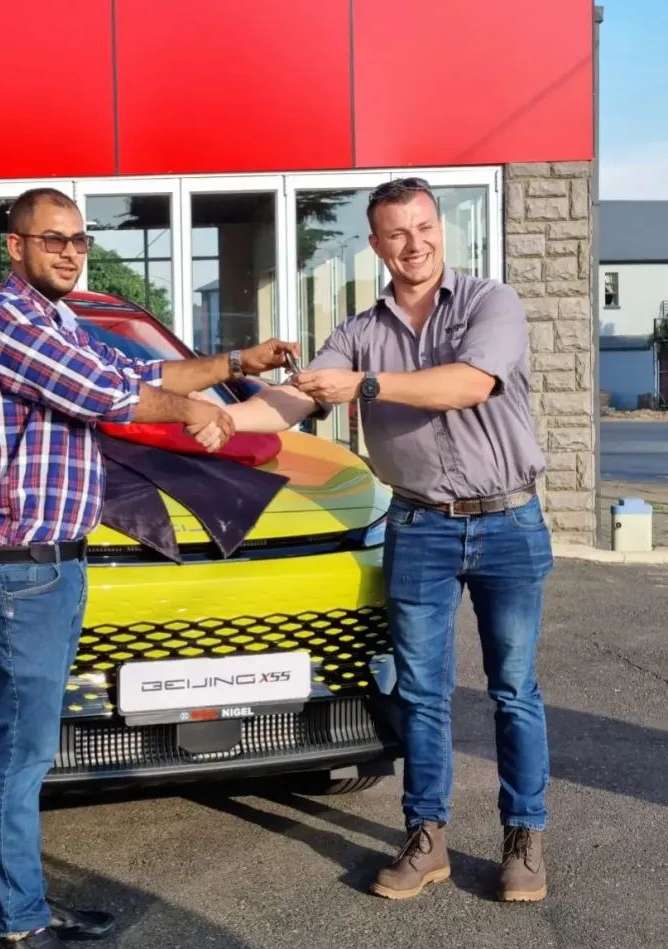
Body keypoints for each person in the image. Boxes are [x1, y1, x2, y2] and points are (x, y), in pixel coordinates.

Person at [0, 187, 298, 949]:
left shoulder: (60, 321)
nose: (71, 252)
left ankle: (29, 900)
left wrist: (236, 365)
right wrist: (196, 414)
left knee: (33, 747)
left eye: (79, 239)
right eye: (53, 239)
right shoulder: (7, 321)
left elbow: (142, 368)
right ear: (15, 246)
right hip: (20, 567)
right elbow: (111, 395)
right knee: (22, 751)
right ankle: (17, 925)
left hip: (55, 564)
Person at [209, 177, 552, 904]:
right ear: (376, 244)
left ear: (441, 229)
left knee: (514, 689)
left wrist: (364, 385)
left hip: (508, 522)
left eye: (423, 227)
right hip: (419, 525)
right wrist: (212, 420)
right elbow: (294, 399)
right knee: (421, 693)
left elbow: (468, 384)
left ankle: (523, 836)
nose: (413, 243)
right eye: (396, 232)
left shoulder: (491, 303)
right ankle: (426, 838)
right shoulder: (359, 330)